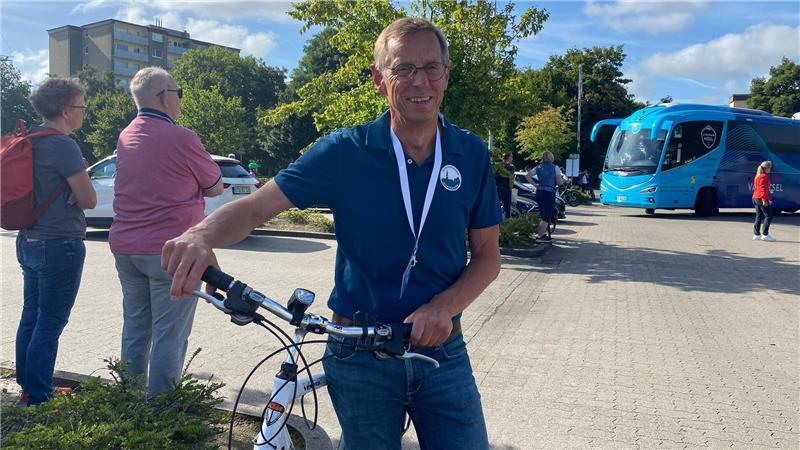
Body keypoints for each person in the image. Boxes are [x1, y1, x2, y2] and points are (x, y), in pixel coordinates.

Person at [162, 17, 501, 449]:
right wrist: (200, 235)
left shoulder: (470, 153)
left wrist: (443, 307)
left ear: (446, 75)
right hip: (359, 356)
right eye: (403, 68)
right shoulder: (345, 151)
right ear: (379, 79)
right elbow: (255, 207)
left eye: (431, 67)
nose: (420, 81)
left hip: (443, 354)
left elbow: (488, 256)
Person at [110, 67, 223, 398]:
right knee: (169, 335)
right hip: (171, 252)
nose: (180, 100)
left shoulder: (125, 135)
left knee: (135, 329)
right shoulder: (182, 137)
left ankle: (127, 400)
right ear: (163, 97)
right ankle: (162, 412)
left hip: (126, 248)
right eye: (178, 93)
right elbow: (215, 186)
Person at [15, 78, 97, 406]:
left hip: (28, 240)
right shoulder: (63, 144)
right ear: (66, 111)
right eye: (82, 106)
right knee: (50, 321)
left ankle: (30, 387)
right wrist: (77, 190)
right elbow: (89, 199)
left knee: (31, 316)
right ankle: (39, 397)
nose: (84, 112)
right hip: (59, 244)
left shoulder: (29, 139)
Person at [525, 151, 563, 242]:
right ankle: (540, 236)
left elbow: (527, 175)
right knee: (547, 215)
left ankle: (541, 234)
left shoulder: (538, 167)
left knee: (542, 215)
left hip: (539, 191)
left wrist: (535, 184)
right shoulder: (555, 167)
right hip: (549, 192)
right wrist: (561, 182)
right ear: (551, 157)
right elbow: (559, 182)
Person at [752, 160, 775, 241]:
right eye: (770, 168)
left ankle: (756, 234)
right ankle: (765, 235)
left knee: (759, 215)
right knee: (769, 216)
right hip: (761, 198)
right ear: (767, 168)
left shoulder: (757, 176)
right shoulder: (764, 176)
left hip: (755, 197)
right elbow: (763, 189)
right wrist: (764, 200)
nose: (770, 169)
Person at [495, 152, 515, 218]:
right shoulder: (510, 166)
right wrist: (511, 189)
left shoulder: (497, 165)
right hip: (505, 189)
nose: (512, 158)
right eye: (511, 156)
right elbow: (511, 179)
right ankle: (507, 221)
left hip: (496, 188)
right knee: (507, 208)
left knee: (495, 206)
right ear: (508, 158)